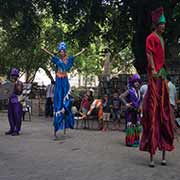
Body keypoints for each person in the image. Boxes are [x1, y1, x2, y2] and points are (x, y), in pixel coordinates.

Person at [140, 7, 174, 167]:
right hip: (155, 79)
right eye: (162, 24)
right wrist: (152, 68)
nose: (164, 26)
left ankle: (164, 153)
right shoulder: (151, 37)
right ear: (156, 24)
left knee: (164, 113)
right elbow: (149, 53)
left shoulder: (162, 39)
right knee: (153, 112)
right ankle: (152, 155)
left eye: (165, 24)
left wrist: (163, 75)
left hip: (163, 78)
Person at [51, 42, 84, 139]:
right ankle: (56, 129)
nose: (61, 53)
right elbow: (52, 56)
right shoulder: (57, 60)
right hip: (59, 82)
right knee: (58, 104)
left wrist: (81, 51)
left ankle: (65, 122)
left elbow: (74, 56)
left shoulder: (67, 60)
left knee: (66, 101)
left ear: (65, 52)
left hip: (65, 82)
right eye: (60, 51)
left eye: (63, 51)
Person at [120, 74, 142, 147]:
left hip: (137, 111)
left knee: (137, 125)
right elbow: (121, 96)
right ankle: (130, 142)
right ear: (133, 82)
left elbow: (141, 100)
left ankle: (136, 141)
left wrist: (140, 106)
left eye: (138, 82)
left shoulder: (139, 91)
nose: (137, 83)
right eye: (135, 82)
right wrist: (126, 104)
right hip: (130, 111)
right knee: (130, 126)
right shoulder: (130, 90)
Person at [5, 68, 23, 136]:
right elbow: (6, 92)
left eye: (14, 75)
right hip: (10, 100)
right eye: (12, 75)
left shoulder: (19, 83)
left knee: (17, 115)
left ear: (17, 76)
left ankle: (16, 130)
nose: (13, 77)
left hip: (17, 101)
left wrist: (14, 85)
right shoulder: (9, 83)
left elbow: (19, 92)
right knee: (10, 115)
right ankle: (12, 128)